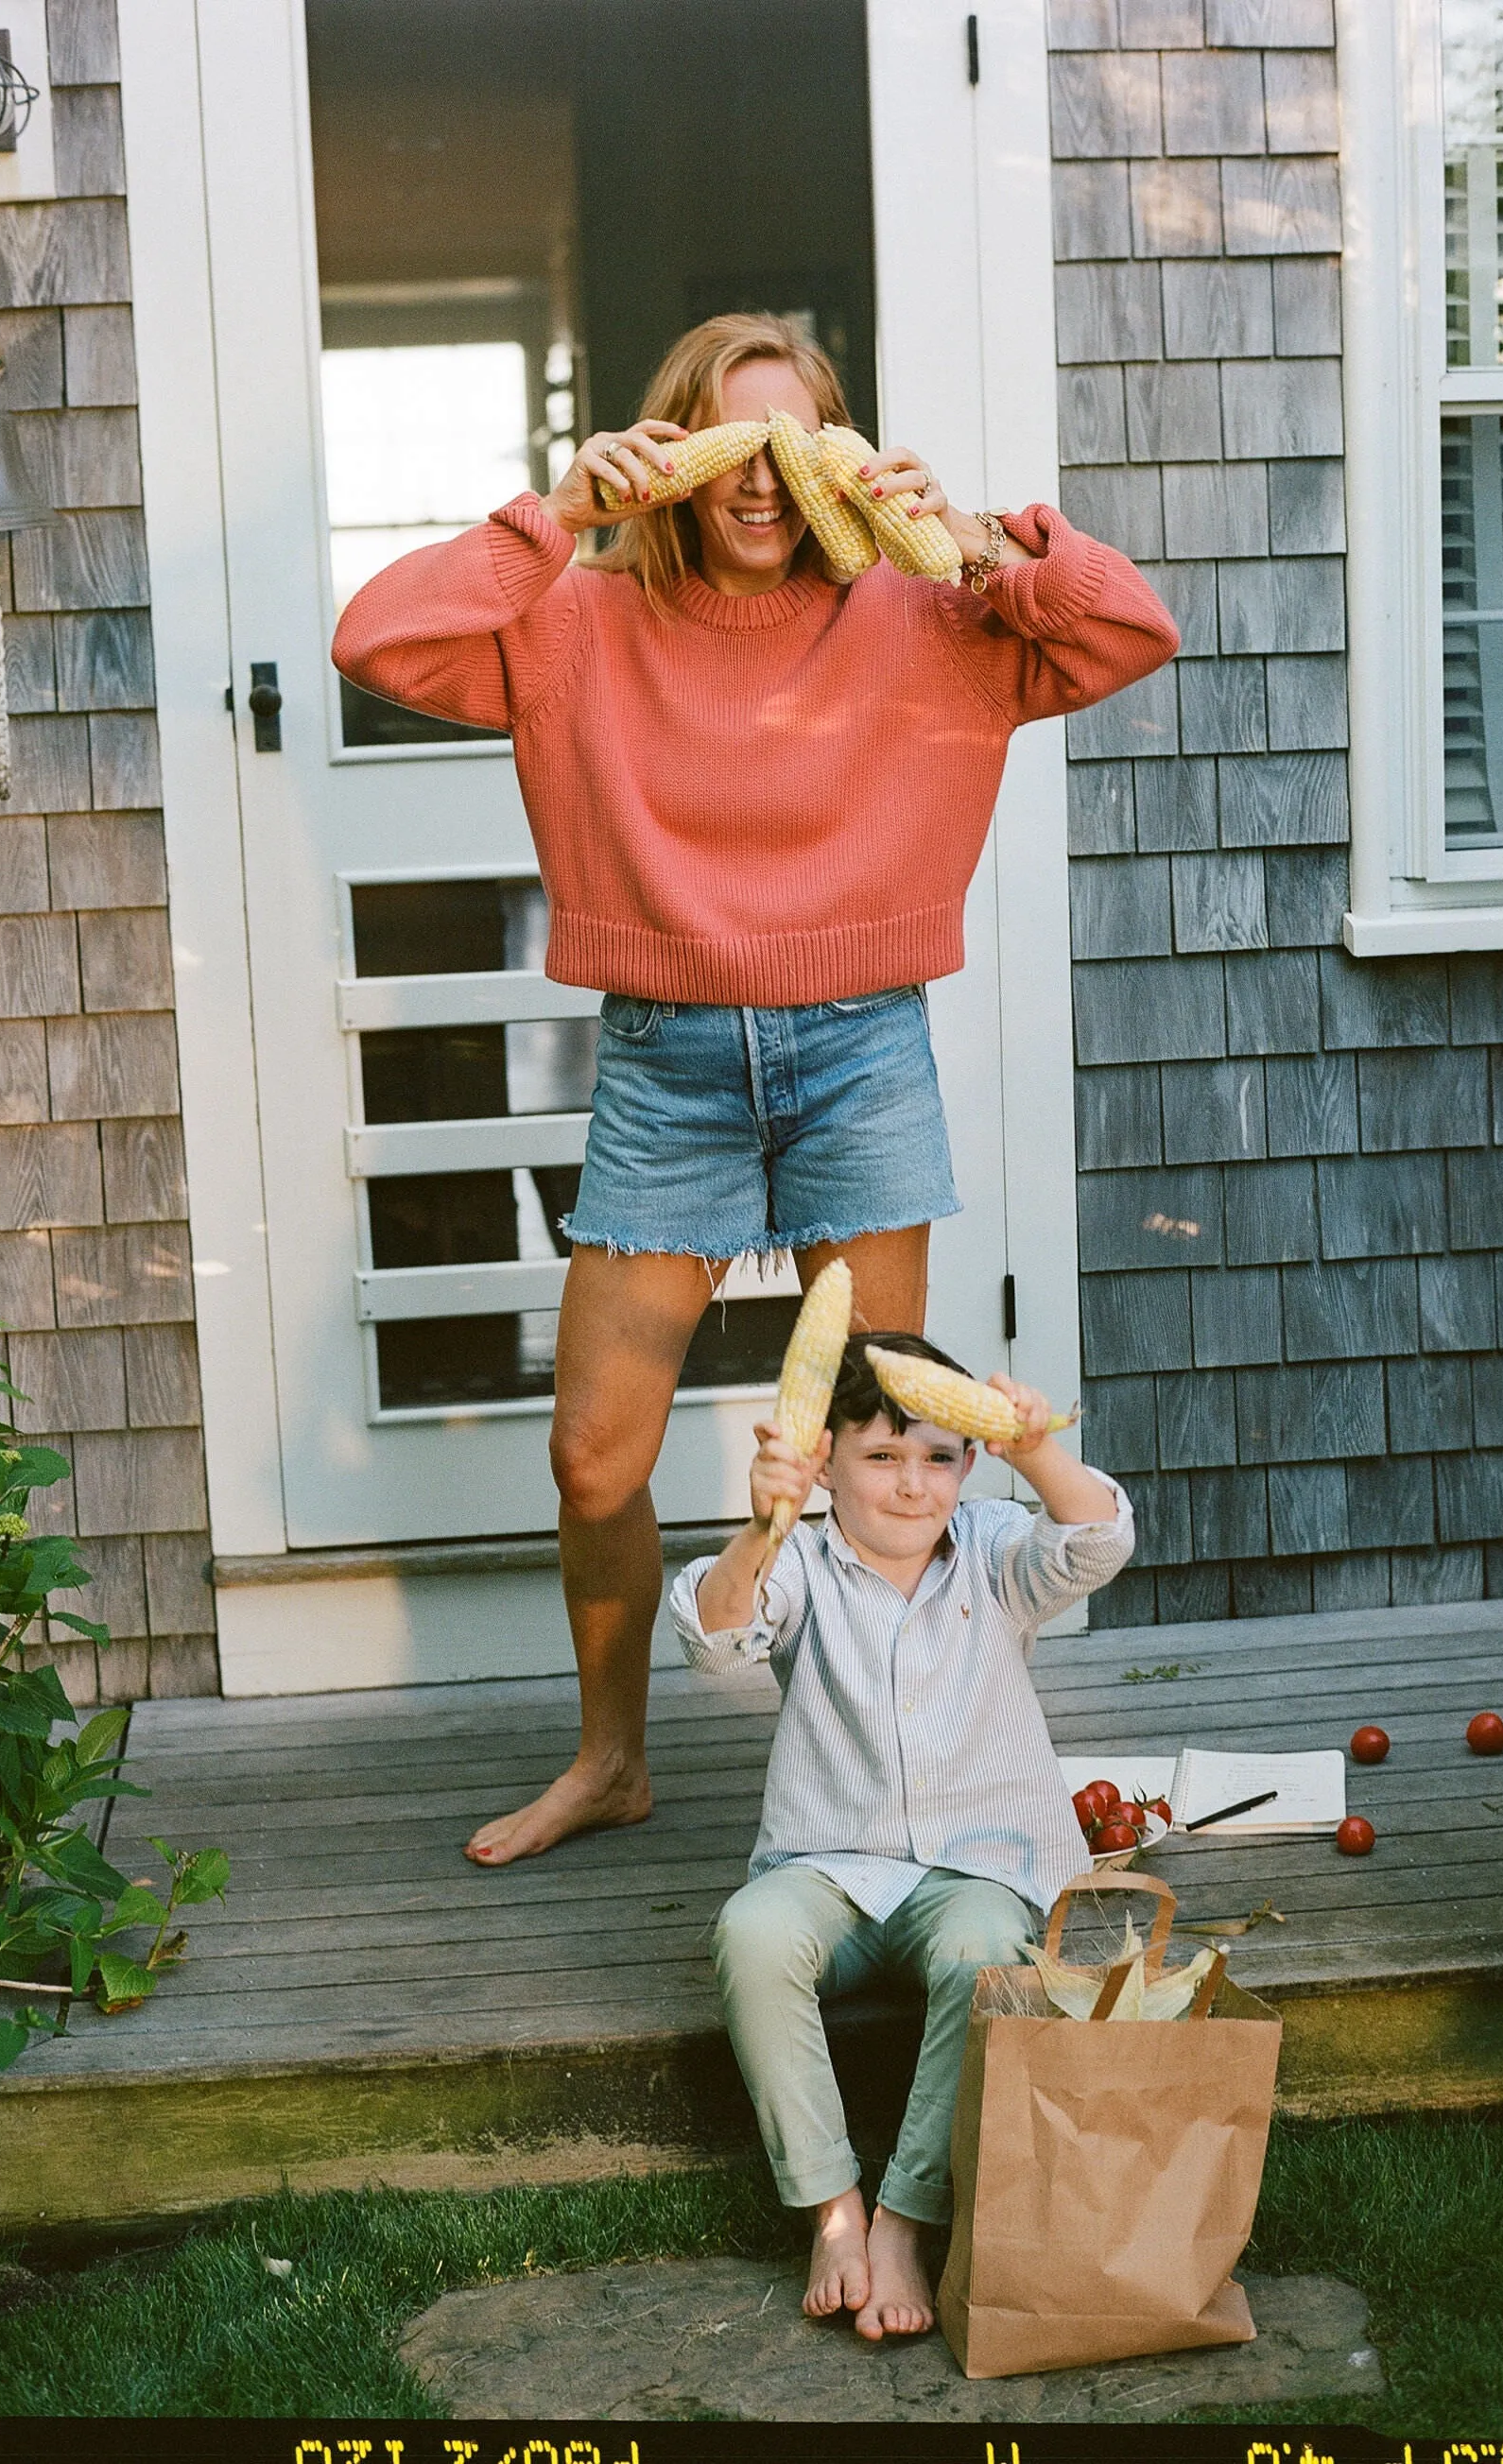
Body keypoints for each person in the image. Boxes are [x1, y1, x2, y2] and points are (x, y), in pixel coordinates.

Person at [332, 313, 1176, 1867]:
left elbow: (1128, 628)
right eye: (731, 438)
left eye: (797, 440)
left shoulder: (932, 613)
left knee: (887, 1438)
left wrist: (984, 537)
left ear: (837, 456)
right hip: (669, 1057)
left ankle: (908, 1770)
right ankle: (613, 1757)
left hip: (861, 1049)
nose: (765, 478)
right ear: (672, 454)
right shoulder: (576, 620)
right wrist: (559, 511)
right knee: (595, 1449)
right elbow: (375, 639)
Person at [670, 1333, 1133, 2339]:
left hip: (974, 1867)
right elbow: (712, 1639)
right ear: (824, 1460)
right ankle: (830, 2205)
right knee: (751, 1934)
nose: (910, 1486)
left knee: (978, 1956)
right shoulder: (797, 1557)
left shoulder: (997, 1550)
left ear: (967, 1464)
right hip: (830, 1868)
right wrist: (759, 1524)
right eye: (878, 1458)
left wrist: (1034, 1447)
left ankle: (903, 2217)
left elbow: (1097, 1540)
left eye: (935, 1456)